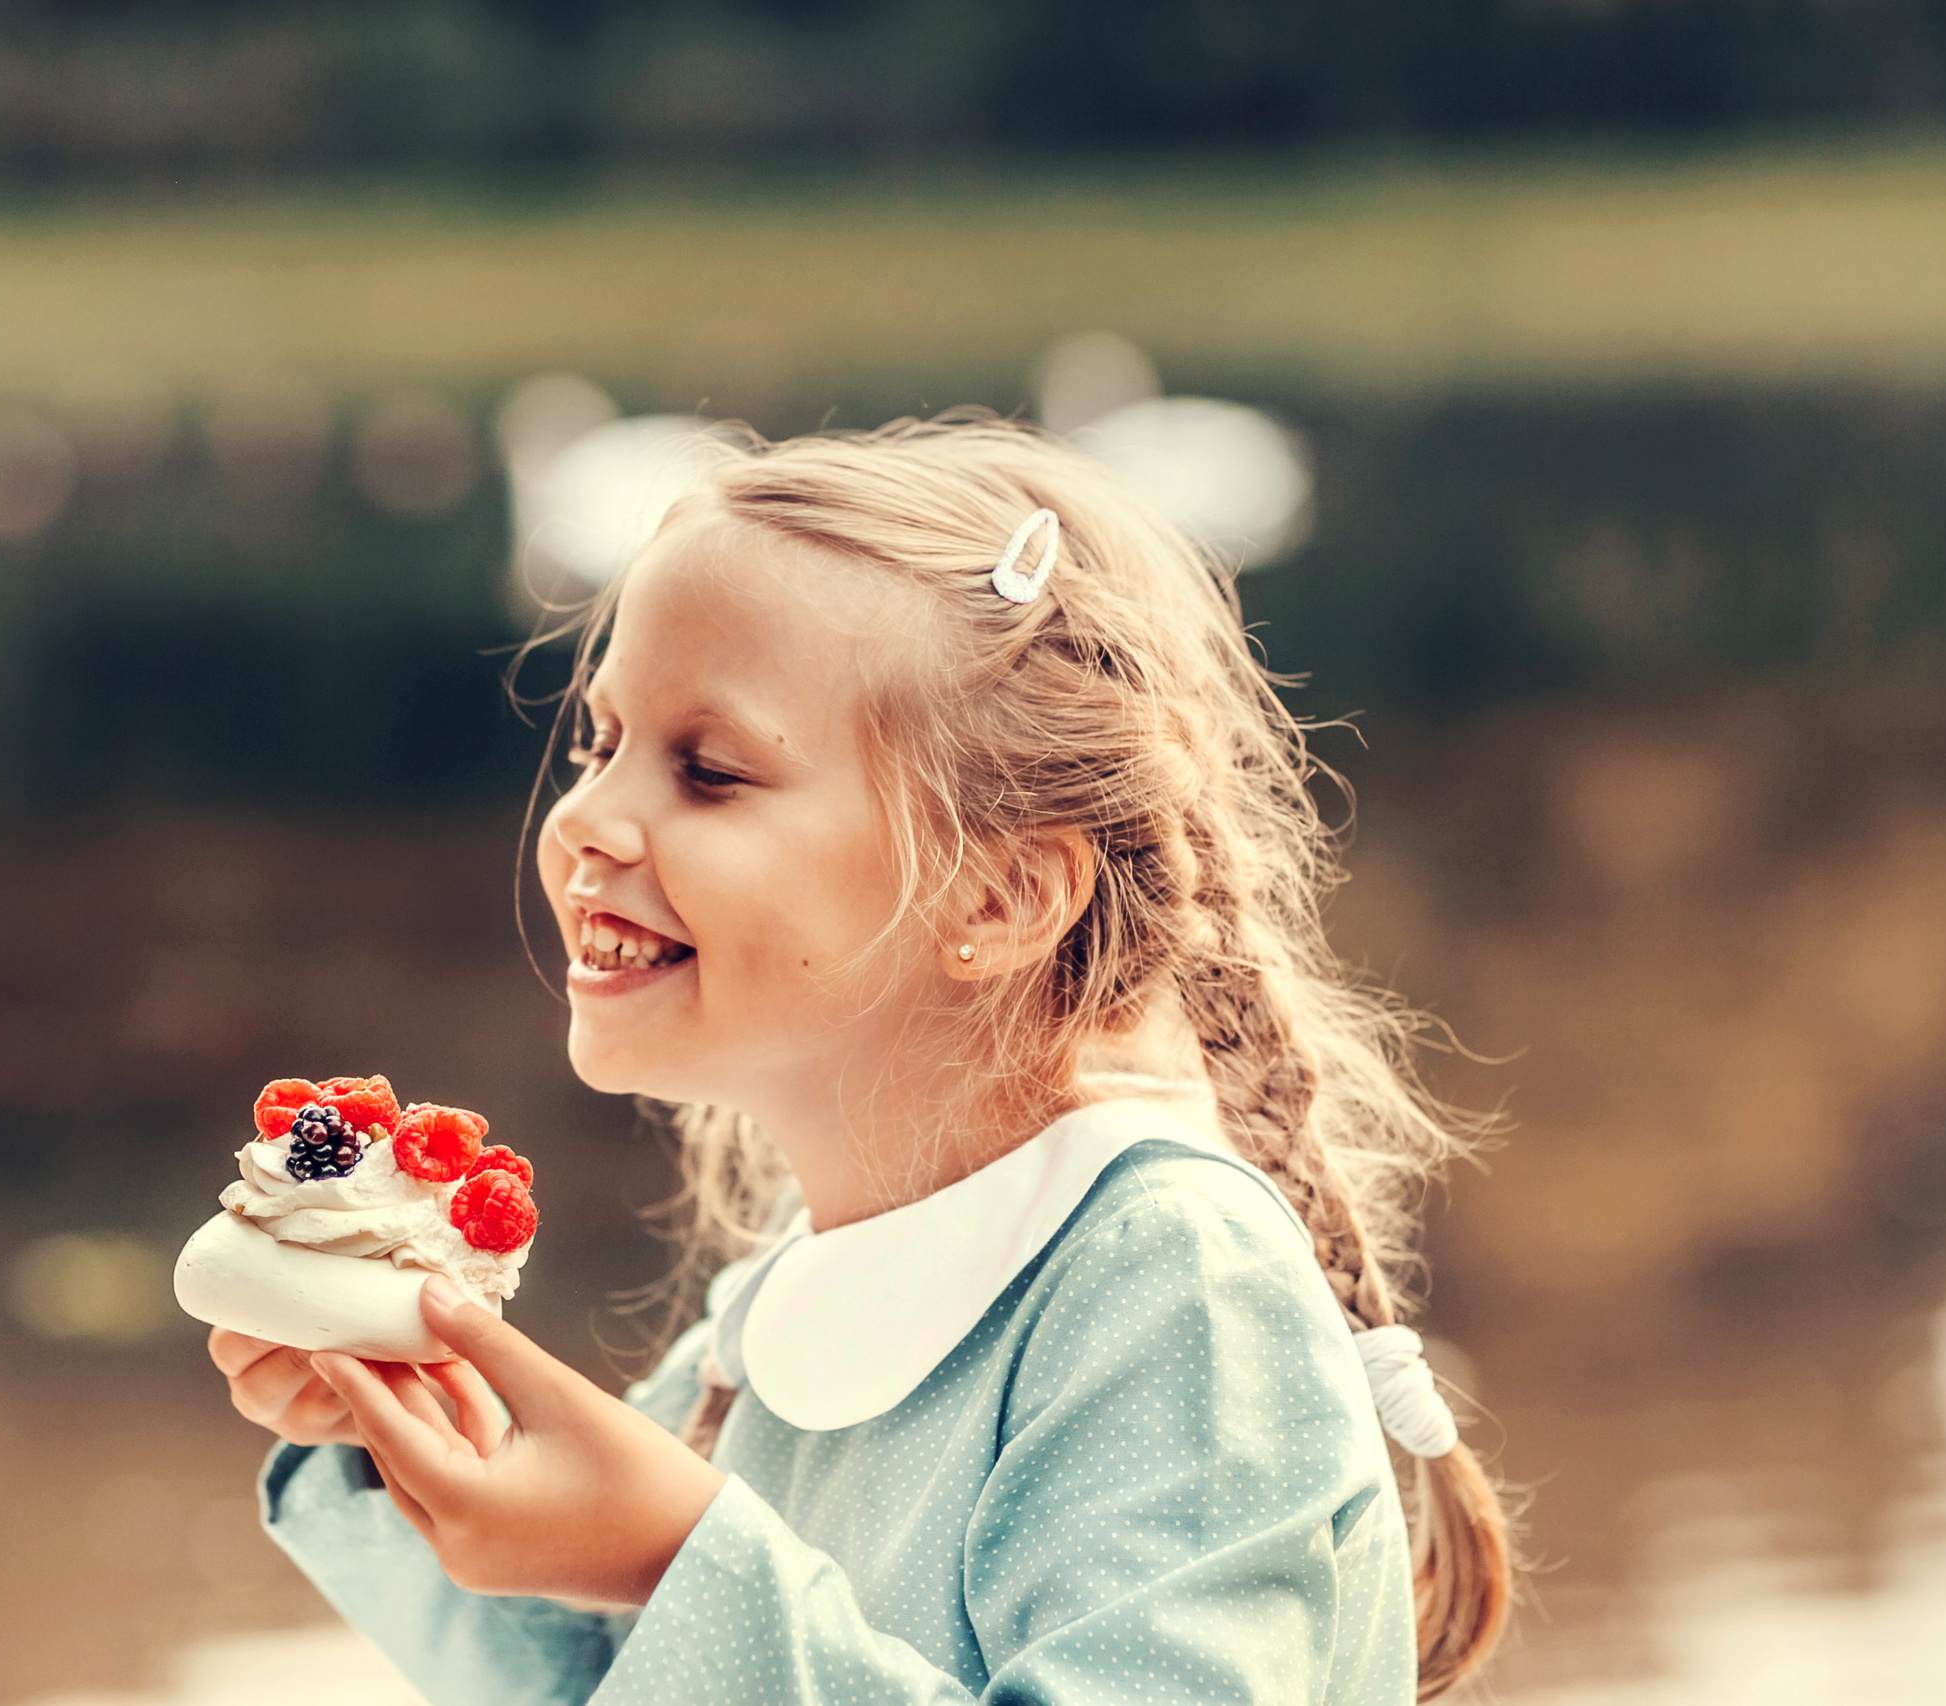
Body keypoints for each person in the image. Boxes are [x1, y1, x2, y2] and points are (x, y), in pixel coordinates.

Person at [208, 413, 1514, 1703]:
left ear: (998, 897)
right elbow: (603, 1687)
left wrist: (675, 1561)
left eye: (709, 769)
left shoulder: (1171, 1286)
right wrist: (405, 1441)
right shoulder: (796, 1283)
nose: (587, 816)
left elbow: (702, 1623)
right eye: (602, 742)